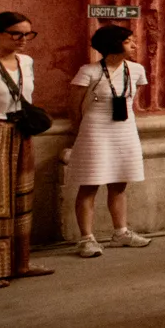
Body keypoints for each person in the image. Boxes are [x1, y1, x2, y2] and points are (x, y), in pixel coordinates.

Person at [0, 12, 52, 288]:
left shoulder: (26, 62)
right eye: (16, 34)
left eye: (28, 34)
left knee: (21, 200)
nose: (23, 40)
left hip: (21, 134)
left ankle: (20, 263)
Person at [66, 24, 151, 258]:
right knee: (89, 184)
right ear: (113, 44)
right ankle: (86, 239)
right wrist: (77, 131)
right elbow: (74, 106)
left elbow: (132, 100)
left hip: (124, 128)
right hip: (95, 129)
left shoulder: (136, 70)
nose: (134, 45)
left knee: (120, 182)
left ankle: (121, 232)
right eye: (128, 41)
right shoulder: (89, 71)